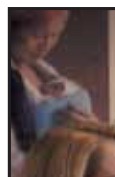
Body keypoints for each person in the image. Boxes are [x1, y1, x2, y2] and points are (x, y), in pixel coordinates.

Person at [10, 10, 94, 142]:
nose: (46, 45)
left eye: (54, 35)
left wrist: (92, 126)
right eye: (37, 35)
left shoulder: (44, 69)